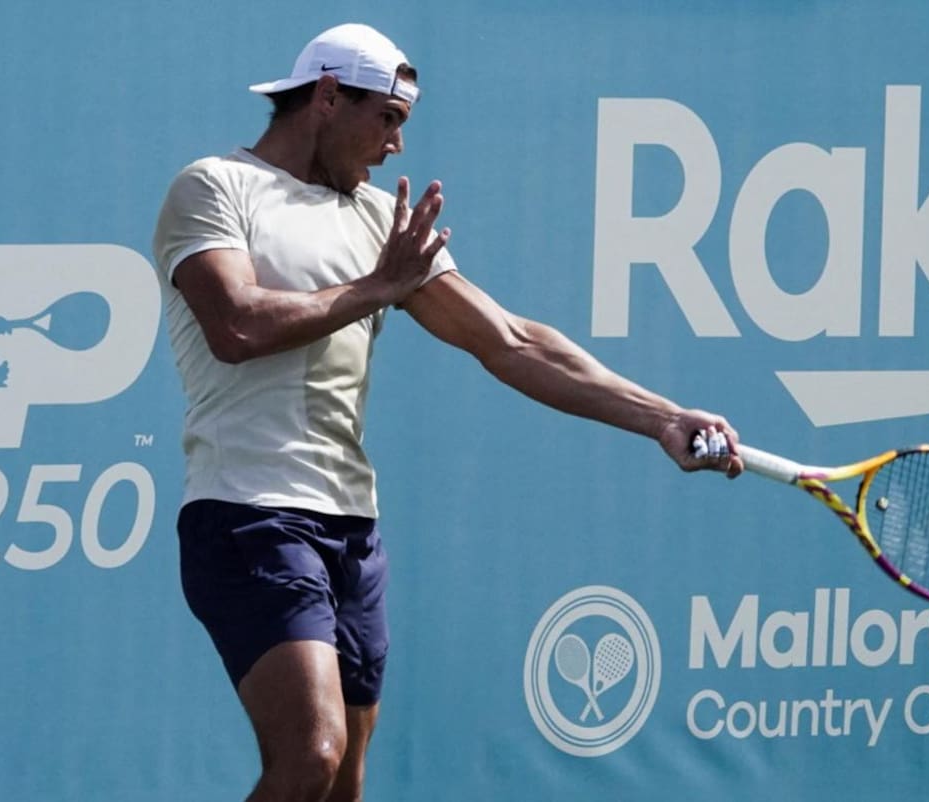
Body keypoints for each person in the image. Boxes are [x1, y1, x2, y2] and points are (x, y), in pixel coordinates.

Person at [153, 22, 742, 802]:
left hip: (350, 526)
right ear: (328, 97)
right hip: (249, 511)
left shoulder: (374, 223)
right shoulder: (215, 187)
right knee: (312, 754)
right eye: (387, 119)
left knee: (343, 785)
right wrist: (374, 288)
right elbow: (236, 327)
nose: (396, 146)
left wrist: (660, 415)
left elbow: (511, 342)